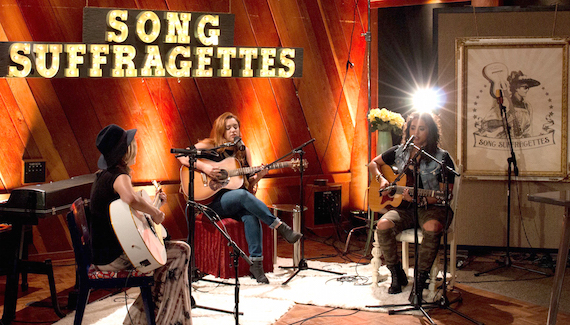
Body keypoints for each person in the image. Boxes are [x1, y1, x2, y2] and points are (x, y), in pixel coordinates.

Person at [177, 112, 302, 284]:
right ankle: (279, 226)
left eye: (235, 127)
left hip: (236, 200)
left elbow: (248, 187)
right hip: (213, 202)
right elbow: (181, 155)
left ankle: (256, 265)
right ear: (221, 130)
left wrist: (260, 175)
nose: (233, 130)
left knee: (250, 214)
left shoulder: (244, 152)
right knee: (242, 196)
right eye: (228, 128)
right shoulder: (210, 145)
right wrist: (205, 168)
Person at [90, 124, 192, 325]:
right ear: (126, 150)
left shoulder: (104, 175)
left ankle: (157, 320)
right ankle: (164, 320)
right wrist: (155, 212)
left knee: (174, 260)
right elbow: (130, 198)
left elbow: (128, 218)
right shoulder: (119, 175)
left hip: (107, 252)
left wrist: (155, 204)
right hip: (113, 258)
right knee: (180, 252)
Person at [368, 112, 455, 295]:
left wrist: (419, 198)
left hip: (432, 208)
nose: (416, 133)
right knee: (383, 225)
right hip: (405, 209)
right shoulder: (400, 151)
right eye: (413, 128)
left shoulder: (441, 158)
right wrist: (382, 180)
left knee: (432, 227)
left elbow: (445, 195)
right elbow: (373, 164)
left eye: (421, 129)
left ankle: (420, 279)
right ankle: (396, 273)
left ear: (430, 131)